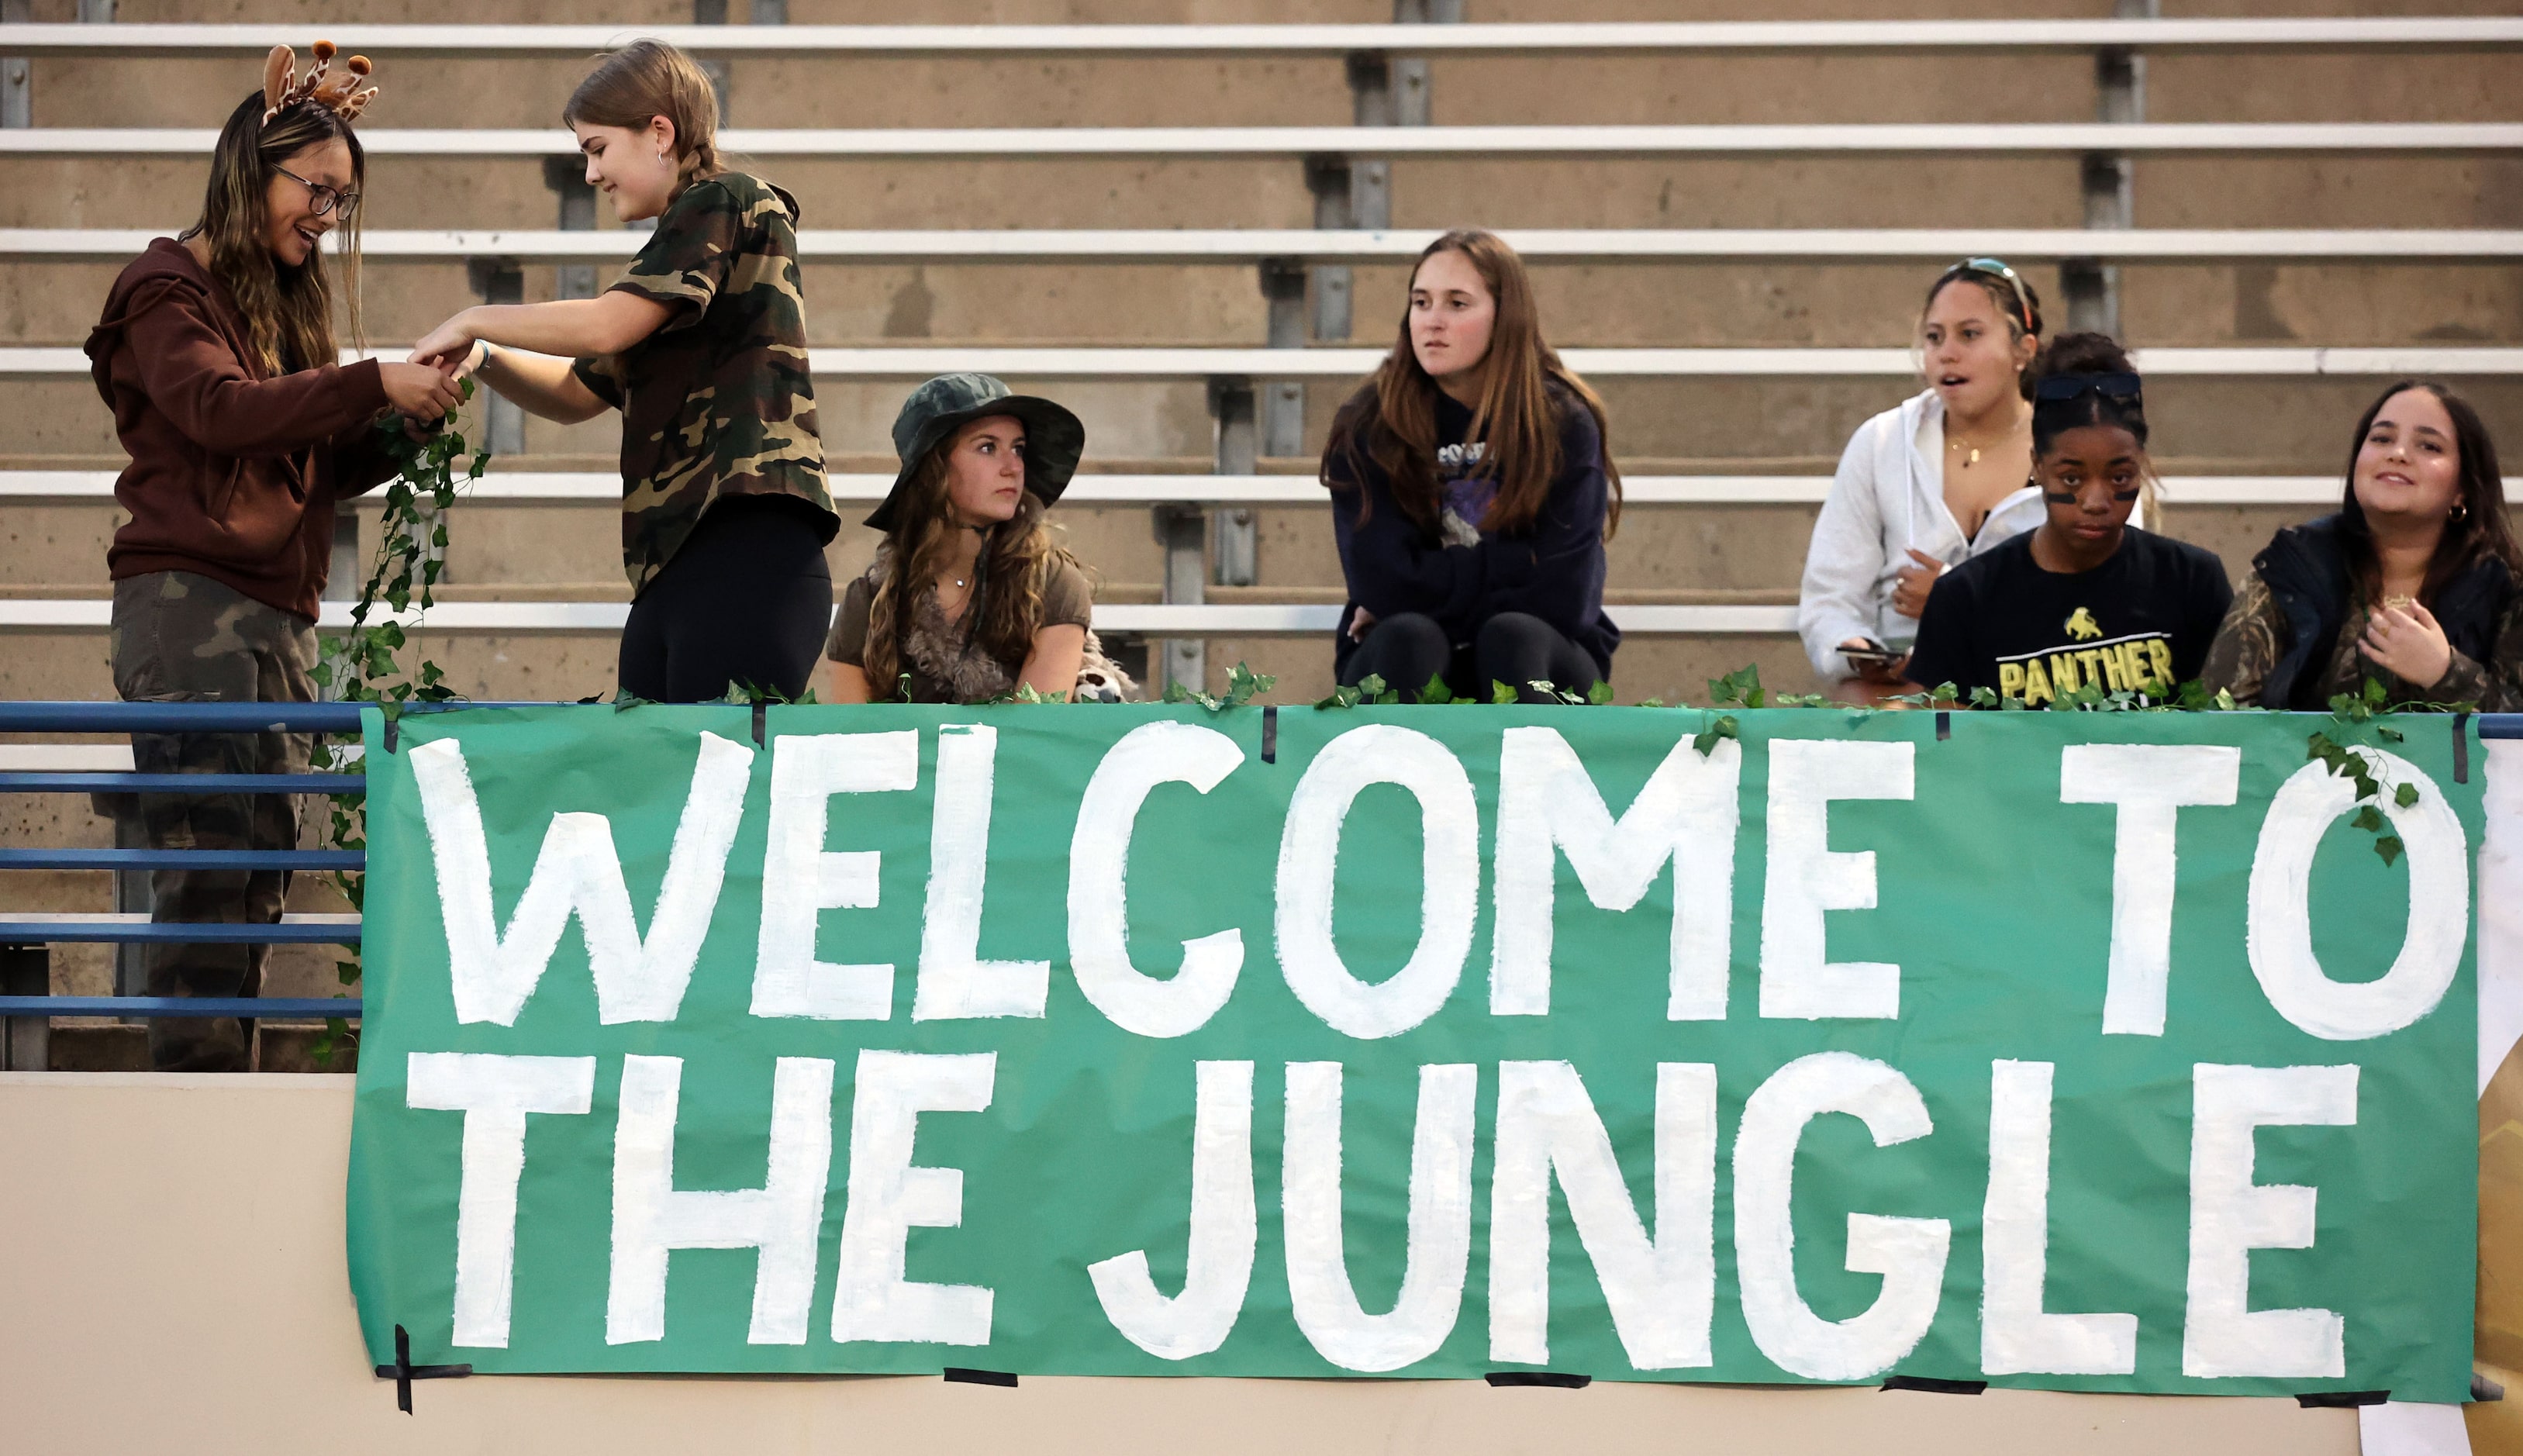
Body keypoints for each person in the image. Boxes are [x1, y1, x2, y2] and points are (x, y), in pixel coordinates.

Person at [85, 44, 457, 1071]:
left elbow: (317, 460)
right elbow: (218, 411)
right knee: (205, 873)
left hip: (278, 621)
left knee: (260, 873)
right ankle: (190, 1112)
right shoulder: (165, 284)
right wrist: (373, 380)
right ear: (253, 168)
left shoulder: (290, 308)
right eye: (316, 189)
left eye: (342, 199)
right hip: (186, 605)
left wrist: (409, 416)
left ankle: (224, 1096)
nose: (326, 215)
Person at [409, 39, 838, 703]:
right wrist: (486, 358)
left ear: (660, 132)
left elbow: (608, 325)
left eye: (597, 148)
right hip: (678, 564)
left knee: (709, 788)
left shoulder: (723, 198)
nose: (590, 174)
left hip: (745, 545)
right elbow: (576, 392)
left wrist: (474, 318)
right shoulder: (672, 253)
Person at [1320, 229, 1620, 703]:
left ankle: (1530, 779)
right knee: (1411, 639)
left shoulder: (1562, 423)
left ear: (1506, 318)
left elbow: (1565, 595)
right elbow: (1382, 582)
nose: (1432, 322)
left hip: (1541, 660)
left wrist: (1428, 585)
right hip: (1406, 658)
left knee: (1512, 638)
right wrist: (1518, 564)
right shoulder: (1370, 424)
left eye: (1457, 304)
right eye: (1421, 303)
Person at [1903, 335, 2231, 706]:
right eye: (2072, 479)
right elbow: (1942, 739)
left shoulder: (2192, 581)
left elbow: (2225, 732)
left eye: (2120, 477)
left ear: (2141, 465)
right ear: (2038, 467)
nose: (2095, 502)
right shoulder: (1965, 598)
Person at [1796, 258, 2048, 696]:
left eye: (1970, 334)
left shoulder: (2071, 452)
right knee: (1863, 704)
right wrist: (1854, 649)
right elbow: (1830, 599)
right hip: (1903, 689)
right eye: (1934, 337)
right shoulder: (1882, 441)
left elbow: (2101, 614)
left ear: (2023, 350)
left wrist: (1957, 604)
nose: (1946, 353)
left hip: (2035, 693)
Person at [2203, 381, 2521, 710]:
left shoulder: (2506, 587)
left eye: (2429, 446)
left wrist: (2446, 674)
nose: (2397, 454)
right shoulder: (2293, 569)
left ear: (2463, 489)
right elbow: (2220, 717)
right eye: (2382, 438)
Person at [824, 373, 1133, 704]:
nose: (1013, 467)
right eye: (988, 447)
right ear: (935, 469)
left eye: (1018, 449)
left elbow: (1033, 736)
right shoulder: (872, 603)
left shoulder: (1050, 585)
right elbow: (854, 742)